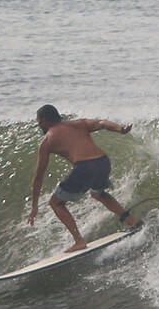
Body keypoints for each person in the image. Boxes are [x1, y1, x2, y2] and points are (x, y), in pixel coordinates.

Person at [26, 104, 142, 252]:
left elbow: (38, 176)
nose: (38, 124)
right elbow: (102, 123)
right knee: (98, 194)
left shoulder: (47, 141)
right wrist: (120, 129)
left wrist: (34, 205)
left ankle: (79, 241)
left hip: (84, 167)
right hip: (102, 161)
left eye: (38, 121)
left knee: (56, 203)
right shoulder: (78, 124)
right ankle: (132, 221)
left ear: (44, 120)